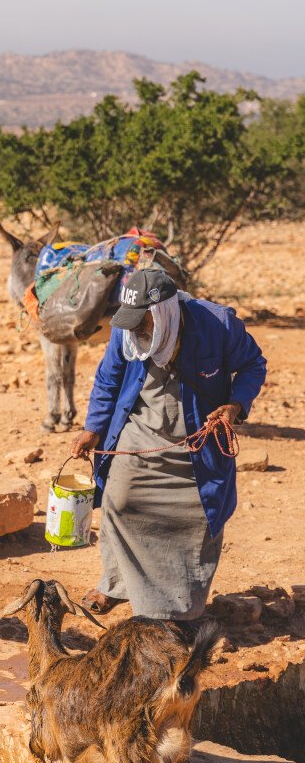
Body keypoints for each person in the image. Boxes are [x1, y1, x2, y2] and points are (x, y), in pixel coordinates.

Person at [70, 266, 266, 620]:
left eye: (142, 321)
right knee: (119, 499)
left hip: (197, 445)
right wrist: (92, 428)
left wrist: (235, 405)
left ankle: (179, 605)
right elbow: (107, 380)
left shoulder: (218, 324)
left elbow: (253, 365)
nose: (136, 330)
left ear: (163, 311)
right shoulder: (126, 332)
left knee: (199, 518)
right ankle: (116, 583)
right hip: (139, 434)